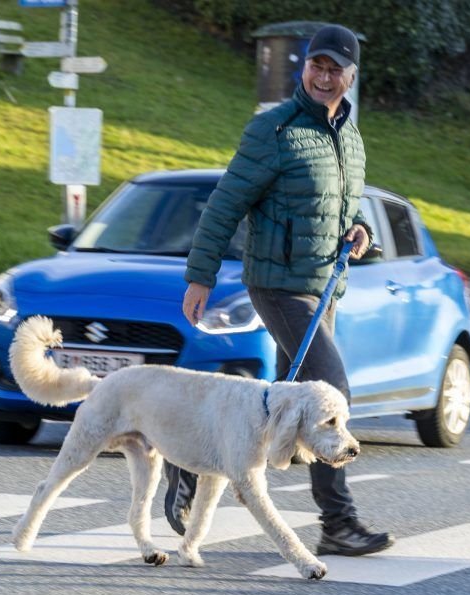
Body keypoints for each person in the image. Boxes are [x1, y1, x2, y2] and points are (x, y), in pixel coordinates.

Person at [166, 24, 394, 556]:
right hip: (277, 283)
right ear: (304, 68)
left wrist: (361, 230)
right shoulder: (274, 129)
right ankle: (339, 523)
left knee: (279, 400)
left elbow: (344, 207)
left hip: (324, 288)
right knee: (330, 393)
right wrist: (200, 275)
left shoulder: (350, 137)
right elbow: (226, 202)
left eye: (334, 69)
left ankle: (187, 465)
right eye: (316, 65)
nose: (323, 76)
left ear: (351, 77)